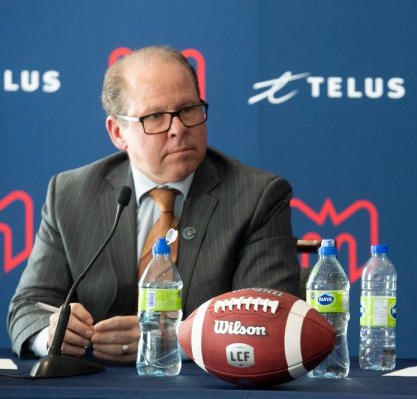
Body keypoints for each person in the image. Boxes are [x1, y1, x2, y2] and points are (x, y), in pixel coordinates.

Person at [7, 45, 299, 362]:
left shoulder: (257, 196)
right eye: (156, 116)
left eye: (188, 109)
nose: (179, 129)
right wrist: (50, 336)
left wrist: (170, 338)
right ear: (118, 132)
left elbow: (268, 321)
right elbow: (30, 304)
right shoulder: (70, 193)